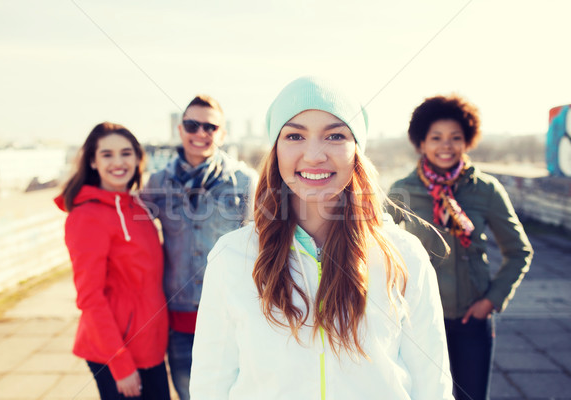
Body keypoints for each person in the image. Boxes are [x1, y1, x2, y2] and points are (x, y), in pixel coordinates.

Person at [190, 76, 454, 399]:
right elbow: (210, 384)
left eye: (334, 135)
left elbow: (433, 386)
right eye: (295, 135)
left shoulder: (403, 255)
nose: (314, 155)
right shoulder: (232, 256)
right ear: (276, 150)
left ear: (357, 150)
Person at [388, 95, 534, 400]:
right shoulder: (403, 190)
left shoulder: (486, 190)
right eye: (436, 138)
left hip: (472, 320)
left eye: (455, 138)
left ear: (467, 140)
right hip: (419, 320)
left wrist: (490, 301)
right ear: (421, 143)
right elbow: (377, 245)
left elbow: (519, 251)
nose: (446, 145)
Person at [141, 95, 258, 400]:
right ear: (180, 129)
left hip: (231, 313)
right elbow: (129, 229)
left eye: (210, 126)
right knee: (190, 393)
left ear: (222, 133)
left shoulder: (245, 181)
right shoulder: (157, 182)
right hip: (179, 316)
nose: (201, 132)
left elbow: (260, 243)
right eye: (192, 125)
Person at [55, 122, 170, 399]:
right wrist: (120, 364)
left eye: (126, 153)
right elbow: (89, 297)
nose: (118, 162)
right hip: (116, 352)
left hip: (150, 347)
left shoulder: (137, 206)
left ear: (138, 158)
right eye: (107, 155)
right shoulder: (86, 217)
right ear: (93, 162)